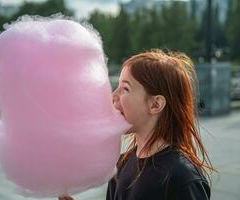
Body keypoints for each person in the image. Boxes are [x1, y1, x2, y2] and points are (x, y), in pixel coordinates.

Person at [59, 49, 214, 200]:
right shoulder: (121, 164)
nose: (114, 95)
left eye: (125, 88)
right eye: (117, 86)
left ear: (155, 104)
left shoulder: (182, 179)